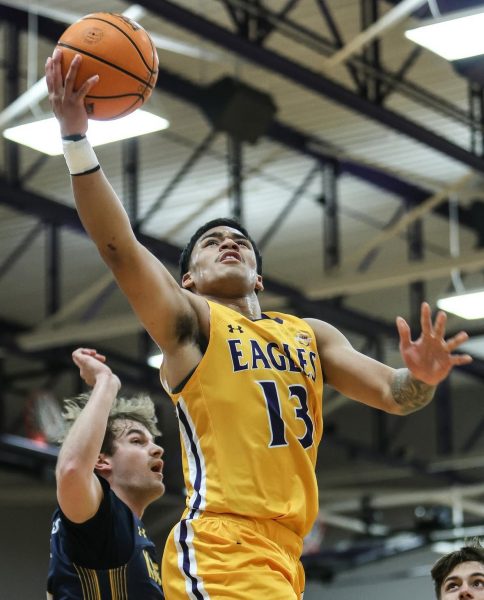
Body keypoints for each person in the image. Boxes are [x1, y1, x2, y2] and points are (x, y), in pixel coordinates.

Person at [45, 48, 473, 600]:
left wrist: (425, 377)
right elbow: (120, 250)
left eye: (240, 241)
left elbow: (395, 395)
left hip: (285, 553)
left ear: (260, 279)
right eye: (210, 243)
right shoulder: (192, 324)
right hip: (224, 543)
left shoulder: (311, 335)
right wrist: (77, 140)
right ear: (189, 282)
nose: (229, 242)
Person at [46, 347, 165, 599]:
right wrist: (106, 382)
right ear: (101, 461)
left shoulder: (133, 534)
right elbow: (72, 469)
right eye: (137, 441)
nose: (157, 449)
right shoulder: (101, 519)